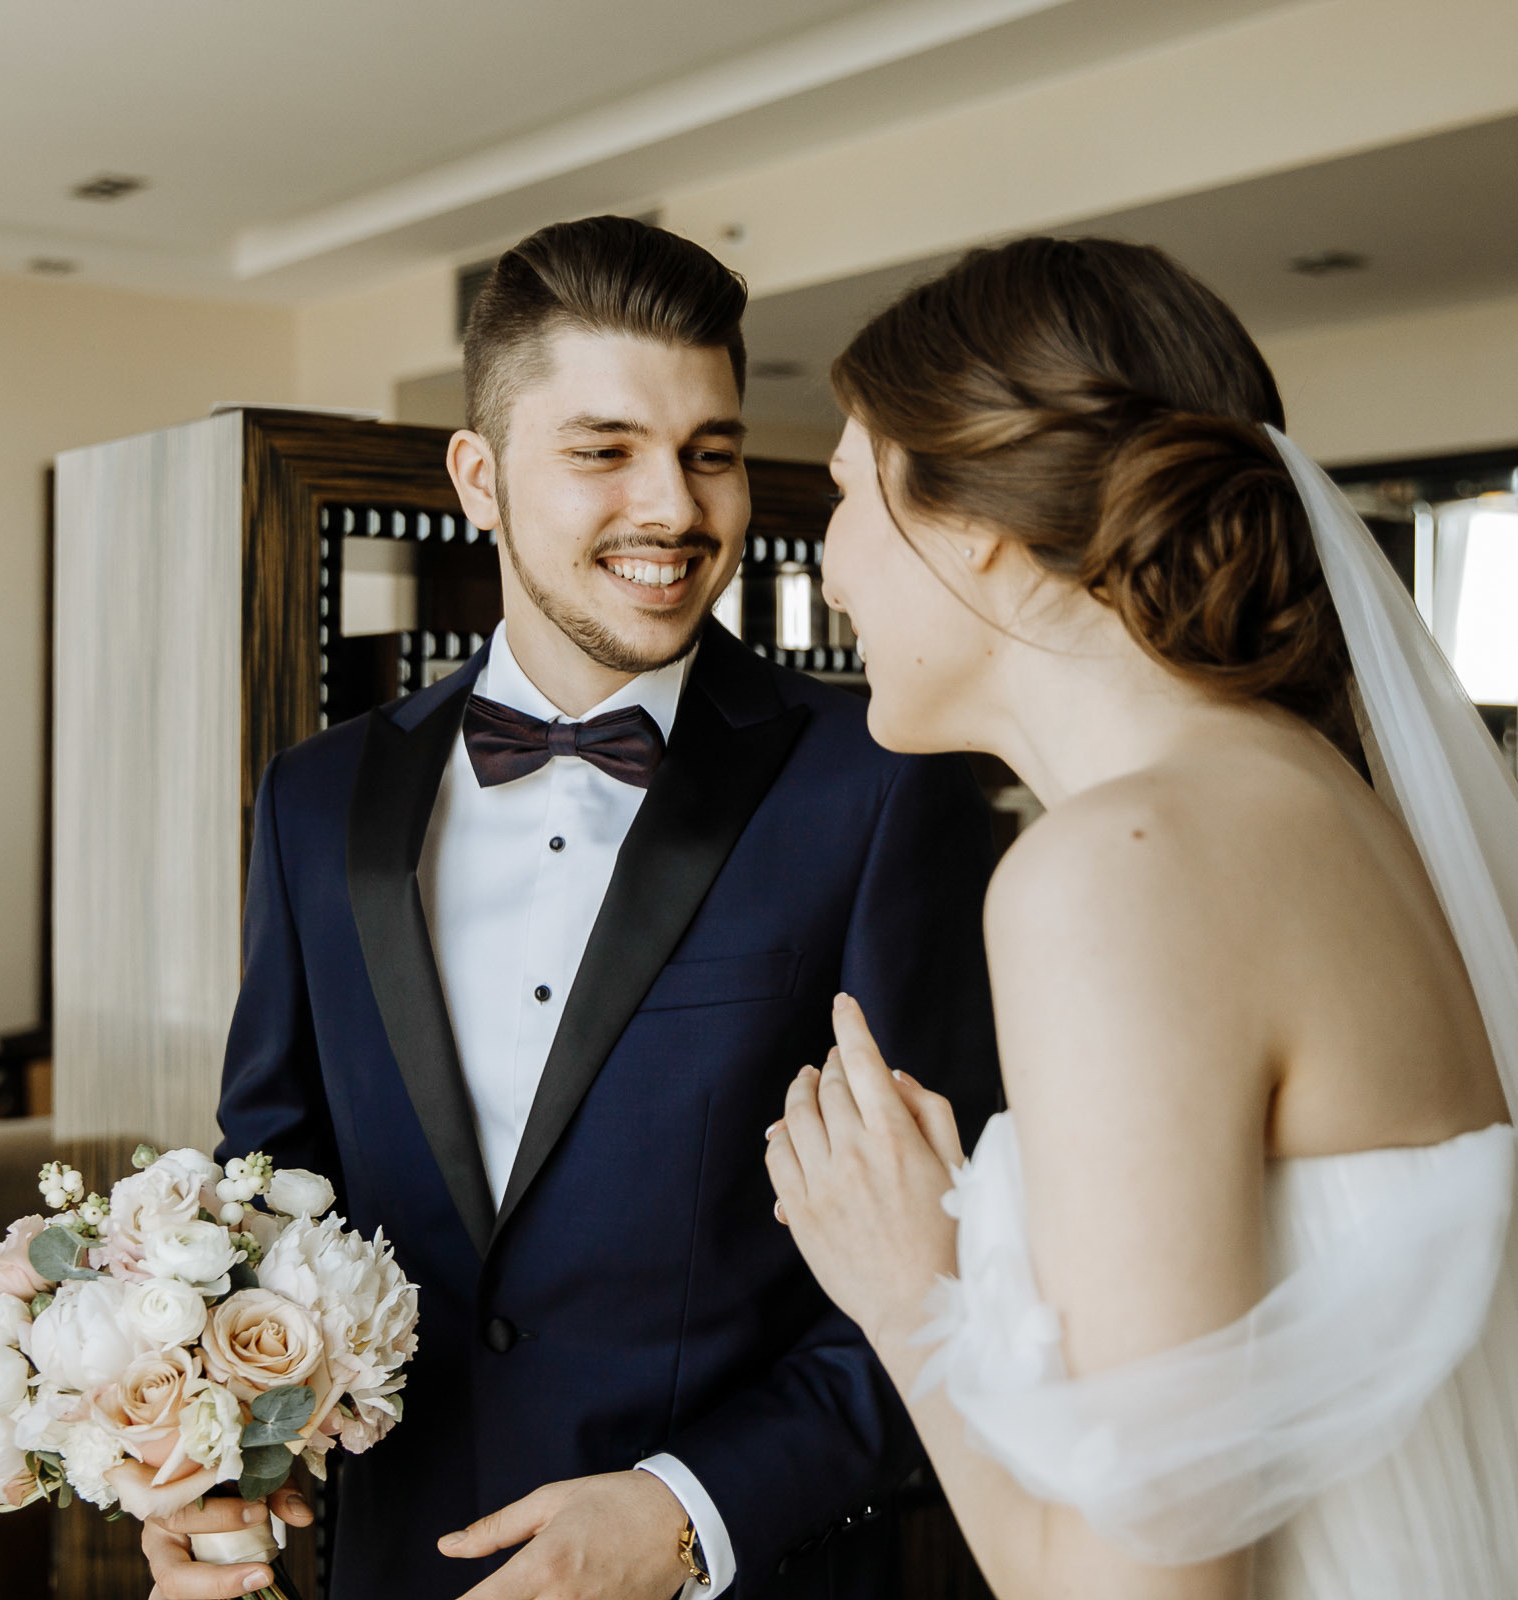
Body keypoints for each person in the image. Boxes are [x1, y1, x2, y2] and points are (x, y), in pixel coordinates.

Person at [765, 238, 1518, 1599]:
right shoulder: (1330, 808)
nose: (830, 566)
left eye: (847, 491)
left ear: (971, 520)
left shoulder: (1117, 867)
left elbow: (1145, 1592)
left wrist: (917, 1299)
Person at [145, 216, 1002, 1600]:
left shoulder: (883, 786)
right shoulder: (317, 799)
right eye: (603, 450)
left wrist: (687, 1515)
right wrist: (210, 1459)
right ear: (478, 479)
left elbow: (961, 1272)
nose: (674, 506)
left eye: (709, 450)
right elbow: (269, 1200)